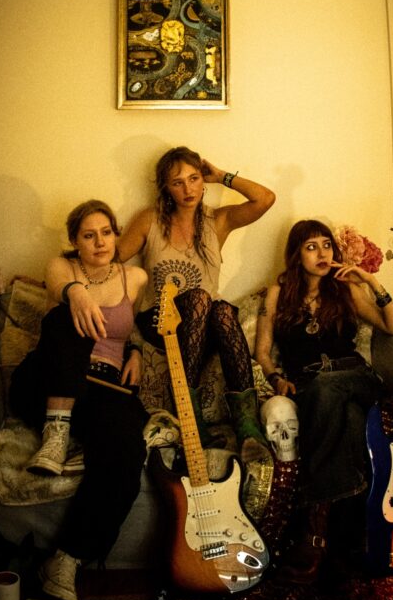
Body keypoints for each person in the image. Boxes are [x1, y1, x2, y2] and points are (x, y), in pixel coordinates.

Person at [51, 146, 276, 461]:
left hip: (206, 328)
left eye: (194, 178)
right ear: (166, 188)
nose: (188, 189)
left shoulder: (218, 220)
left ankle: (247, 428)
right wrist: (70, 279)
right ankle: (192, 418)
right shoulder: (151, 220)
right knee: (200, 299)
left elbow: (265, 199)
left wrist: (221, 176)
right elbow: (109, 260)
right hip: (160, 322)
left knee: (222, 310)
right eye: (177, 182)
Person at [8, 199, 148, 600]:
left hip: (101, 390)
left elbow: (134, 326)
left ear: (116, 235)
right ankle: (55, 434)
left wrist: (136, 351)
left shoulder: (135, 277)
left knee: (126, 449)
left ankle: (65, 560)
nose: (100, 242)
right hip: (45, 380)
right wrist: (77, 294)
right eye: (89, 235)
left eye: (106, 232)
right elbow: (58, 286)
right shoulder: (61, 267)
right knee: (63, 318)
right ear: (75, 241)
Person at [255, 218, 393, 583]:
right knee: (349, 421)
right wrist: (276, 378)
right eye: (311, 247)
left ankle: (312, 528)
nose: (322, 253)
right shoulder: (277, 293)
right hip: (311, 386)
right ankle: (346, 542)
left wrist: (370, 281)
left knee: (327, 390)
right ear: (296, 255)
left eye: (326, 245)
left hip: (356, 377)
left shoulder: (346, 289)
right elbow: (262, 352)